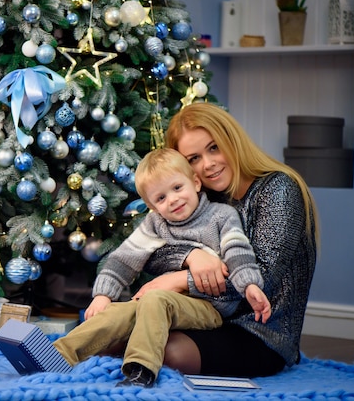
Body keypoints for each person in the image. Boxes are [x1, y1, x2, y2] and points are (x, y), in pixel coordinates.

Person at [53, 147, 271, 388]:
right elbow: (124, 258)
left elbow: (238, 251)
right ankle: (57, 354)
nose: (173, 200)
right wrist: (103, 295)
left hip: (209, 305)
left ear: (195, 182)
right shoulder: (156, 223)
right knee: (118, 312)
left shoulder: (222, 216)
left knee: (155, 299)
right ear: (153, 207)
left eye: (177, 188)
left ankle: (141, 368)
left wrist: (249, 284)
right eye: (161, 198)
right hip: (162, 300)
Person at [131, 102, 318, 378]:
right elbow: (151, 249)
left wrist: (180, 279)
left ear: (232, 140)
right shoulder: (204, 198)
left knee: (170, 353)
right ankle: (56, 360)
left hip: (262, 335)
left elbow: (261, 279)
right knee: (135, 331)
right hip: (207, 316)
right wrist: (192, 257)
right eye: (193, 158)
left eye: (214, 147)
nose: (208, 165)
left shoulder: (279, 188)